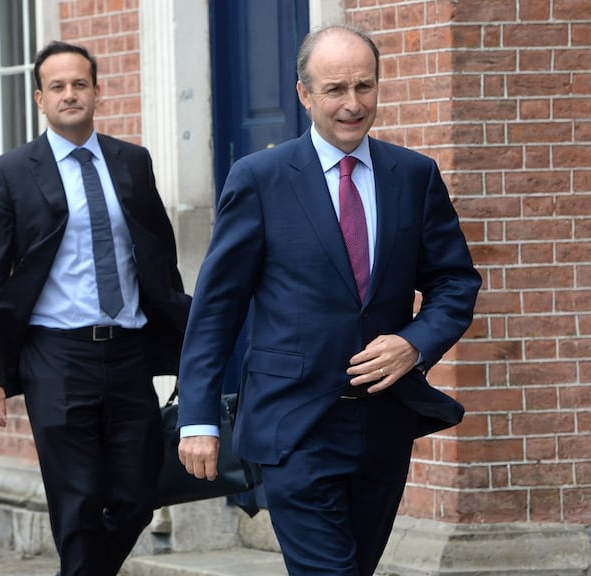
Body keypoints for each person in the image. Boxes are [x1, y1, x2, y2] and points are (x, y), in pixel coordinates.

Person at [177, 25, 482, 576]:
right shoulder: (260, 179)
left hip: (384, 425)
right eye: (336, 89)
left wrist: (414, 344)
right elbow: (217, 307)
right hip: (293, 424)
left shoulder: (414, 176)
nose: (352, 104)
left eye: (364, 87)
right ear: (304, 94)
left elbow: (456, 283)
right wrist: (198, 419)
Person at [0, 40, 190, 576]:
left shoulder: (132, 162)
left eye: (80, 84)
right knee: (78, 502)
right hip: (57, 356)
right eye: (58, 87)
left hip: (129, 351)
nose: (71, 94)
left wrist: (188, 339)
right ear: (40, 99)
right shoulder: (13, 172)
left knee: (138, 495)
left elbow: (160, 258)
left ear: (97, 91)